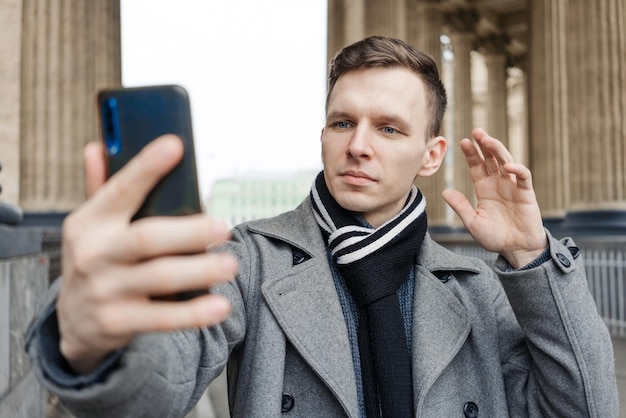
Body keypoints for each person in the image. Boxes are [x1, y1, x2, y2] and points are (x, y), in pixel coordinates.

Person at [26, 36, 618, 417]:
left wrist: (532, 258)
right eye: (342, 123)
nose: (357, 145)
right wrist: (93, 341)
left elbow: (585, 408)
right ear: (323, 133)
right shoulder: (251, 258)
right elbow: (162, 383)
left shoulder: (475, 286)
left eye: (388, 129)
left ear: (432, 155)